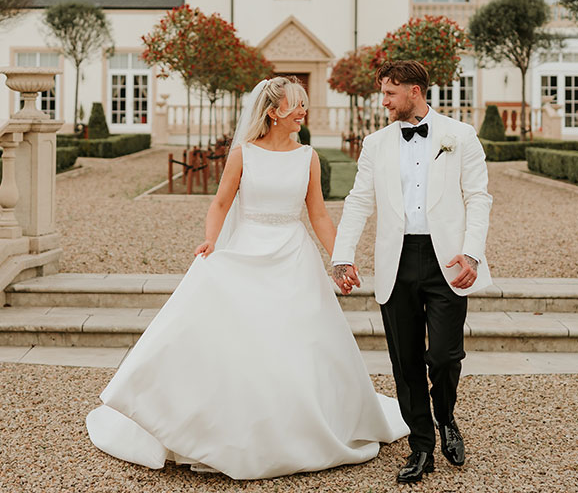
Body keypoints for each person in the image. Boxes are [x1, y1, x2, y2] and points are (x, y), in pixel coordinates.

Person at [86, 76, 407, 479]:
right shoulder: (243, 155)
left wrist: (341, 260)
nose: (303, 111)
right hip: (248, 250)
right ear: (273, 113)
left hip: (293, 257)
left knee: (300, 341)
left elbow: (319, 215)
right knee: (239, 340)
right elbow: (220, 203)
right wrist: (209, 241)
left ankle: (299, 425)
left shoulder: (308, 156)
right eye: (297, 106)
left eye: (304, 105)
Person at [332, 60, 492, 484]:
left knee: (443, 356)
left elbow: (479, 198)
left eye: (390, 93)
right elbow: (358, 201)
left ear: (416, 92)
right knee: (405, 362)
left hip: (448, 261)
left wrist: (472, 254)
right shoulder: (375, 143)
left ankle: (445, 417)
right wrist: (342, 255)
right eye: (382, 92)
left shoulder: (460, 136)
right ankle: (421, 446)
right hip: (396, 260)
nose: (383, 101)